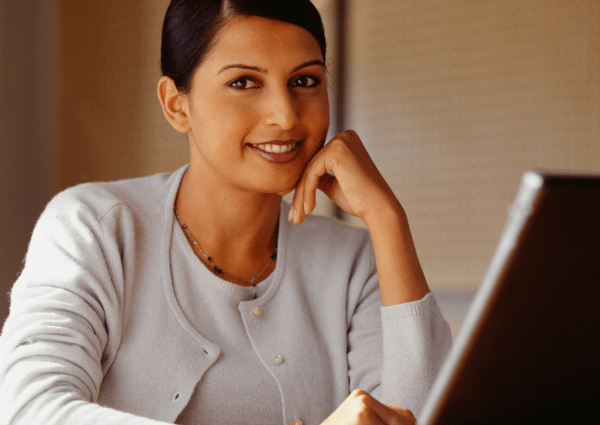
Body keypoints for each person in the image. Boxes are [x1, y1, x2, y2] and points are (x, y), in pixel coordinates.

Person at [0, 0, 452, 424]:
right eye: (243, 82)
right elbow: (31, 409)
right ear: (177, 105)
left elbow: (419, 414)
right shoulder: (94, 228)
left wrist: (387, 218)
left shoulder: (354, 262)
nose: (286, 115)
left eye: (305, 80)